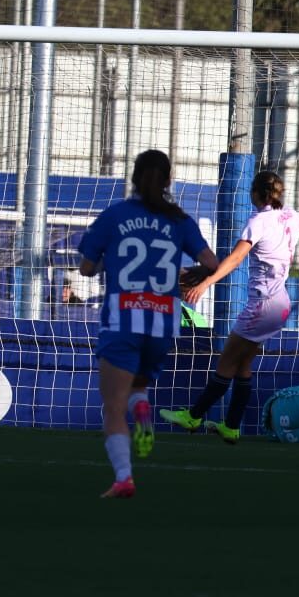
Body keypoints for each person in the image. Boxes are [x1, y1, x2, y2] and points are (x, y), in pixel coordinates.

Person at [77, 149, 218, 498]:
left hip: (122, 318)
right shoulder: (179, 220)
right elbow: (213, 263)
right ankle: (142, 405)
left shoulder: (114, 216)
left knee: (112, 406)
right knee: (138, 384)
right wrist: (187, 275)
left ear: (134, 178)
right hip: (163, 321)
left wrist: (109, 260)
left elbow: (86, 268)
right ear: (169, 180)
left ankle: (124, 477)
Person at [159, 169, 299, 444]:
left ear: (255, 194)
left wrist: (205, 283)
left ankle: (194, 416)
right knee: (243, 365)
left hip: (263, 304)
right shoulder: (291, 216)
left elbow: (234, 260)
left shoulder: (258, 222)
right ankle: (231, 426)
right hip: (281, 304)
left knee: (225, 363)